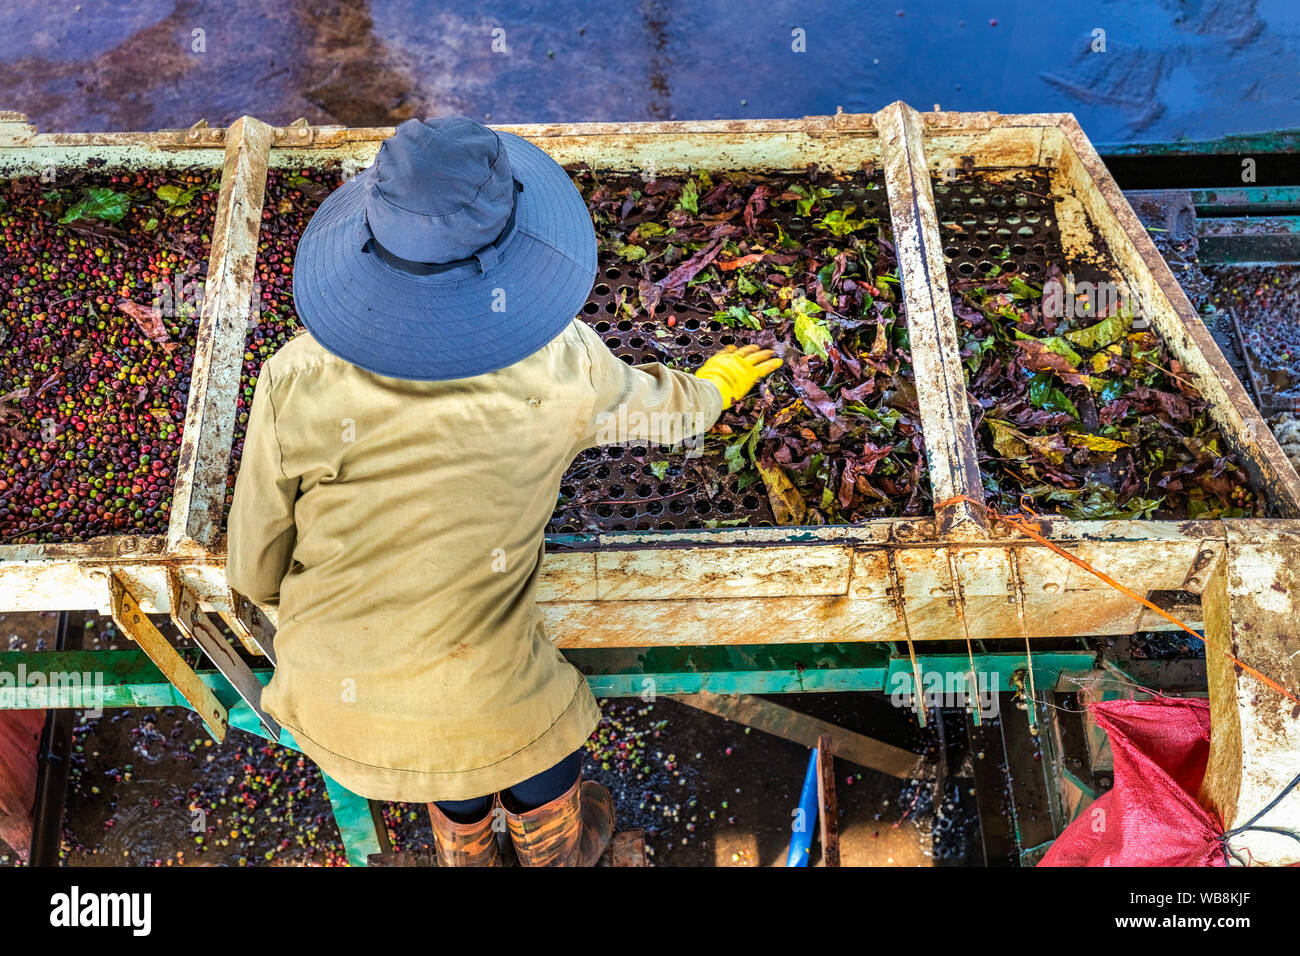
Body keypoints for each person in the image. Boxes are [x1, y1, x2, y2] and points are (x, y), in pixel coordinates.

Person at [227, 116, 781, 866]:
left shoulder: (295, 373)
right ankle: (556, 848)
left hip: (331, 700)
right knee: (511, 726)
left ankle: (469, 849)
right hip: (484, 703)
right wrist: (714, 387)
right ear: (510, 251)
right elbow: (659, 415)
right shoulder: (560, 364)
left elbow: (253, 567)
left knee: (452, 745)